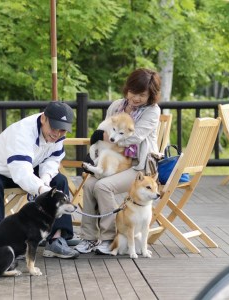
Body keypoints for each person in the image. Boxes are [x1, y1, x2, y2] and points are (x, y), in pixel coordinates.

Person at [0, 101, 79, 259]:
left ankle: (56, 240)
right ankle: (2, 245)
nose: (57, 133)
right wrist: (41, 189)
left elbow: (52, 161)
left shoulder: (57, 136)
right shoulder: (22, 133)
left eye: (62, 129)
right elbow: (21, 173)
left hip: (26, 166)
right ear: (44, 118)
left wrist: (45, 179)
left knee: (60, 180)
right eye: (54, 127)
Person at [76, 68, 161, 255]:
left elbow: (135, 137)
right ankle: (88, 237)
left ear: (151, 95)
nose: (136, 98)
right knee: (90, 184)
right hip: (116, 159)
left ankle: (108, 238)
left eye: (142, 95)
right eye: (133, 92)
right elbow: (105, 129)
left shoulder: (152, 111)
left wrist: (106, 136)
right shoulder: (116, 106)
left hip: (139, 166)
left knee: (103, 187)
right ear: (127, 89)